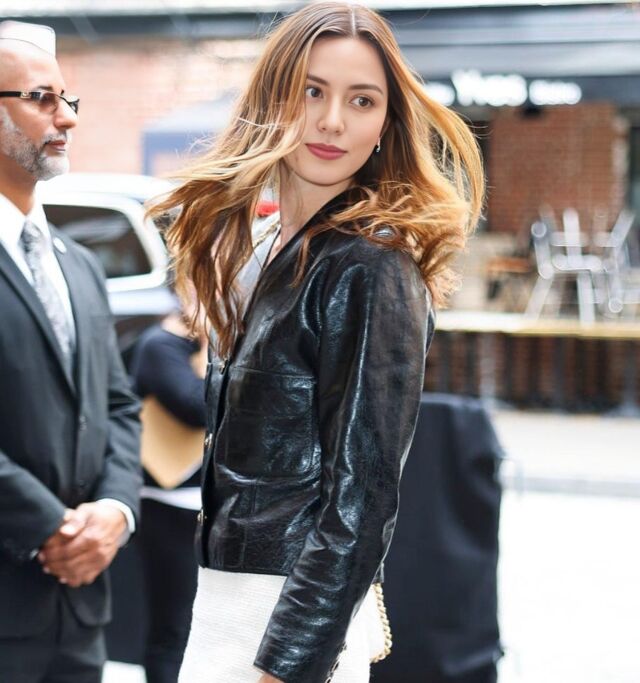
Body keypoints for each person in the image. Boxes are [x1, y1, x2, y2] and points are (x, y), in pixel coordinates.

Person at [151, 3, 484, 682]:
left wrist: (289, 663)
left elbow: (362, 497)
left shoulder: (371, 265)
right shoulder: (265, 249)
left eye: (362, 100)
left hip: (284, 615)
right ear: (272, 96)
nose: (333, 120)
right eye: (312, 91)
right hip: (227, 598)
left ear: (386, 123)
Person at [0, 20, 141, 683]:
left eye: (69, 99)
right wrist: (49, 527)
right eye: (42, 98)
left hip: (80, 617)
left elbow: (118, 405)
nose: (68, 118)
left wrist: (114, 512)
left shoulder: (81, 264)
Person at [129, 304, 208, 683]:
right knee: (175, 626)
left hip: (208, 503)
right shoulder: (159, 345)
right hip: (168, 503)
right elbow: (198, 407)